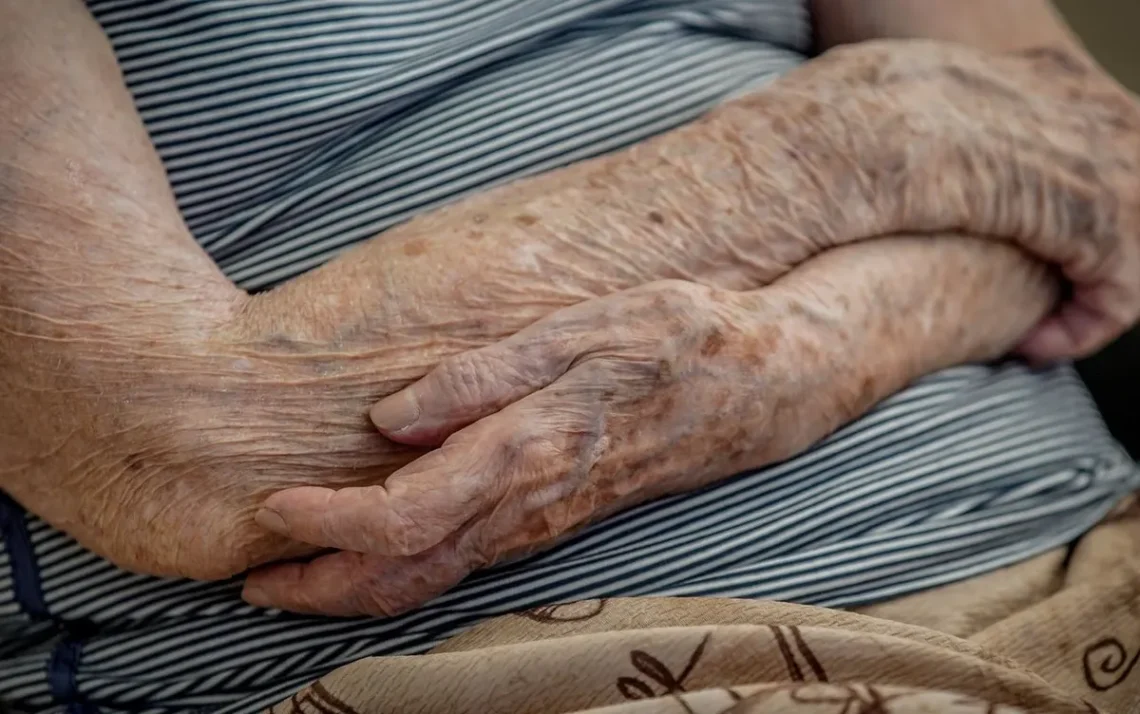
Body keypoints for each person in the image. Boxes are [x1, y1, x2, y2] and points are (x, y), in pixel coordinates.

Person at [0, 0, 1137, 711]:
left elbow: (1095, 172)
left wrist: (806, 354)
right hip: (548, 672)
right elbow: (198, 450)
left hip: (1089, 549)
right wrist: (876, 141)